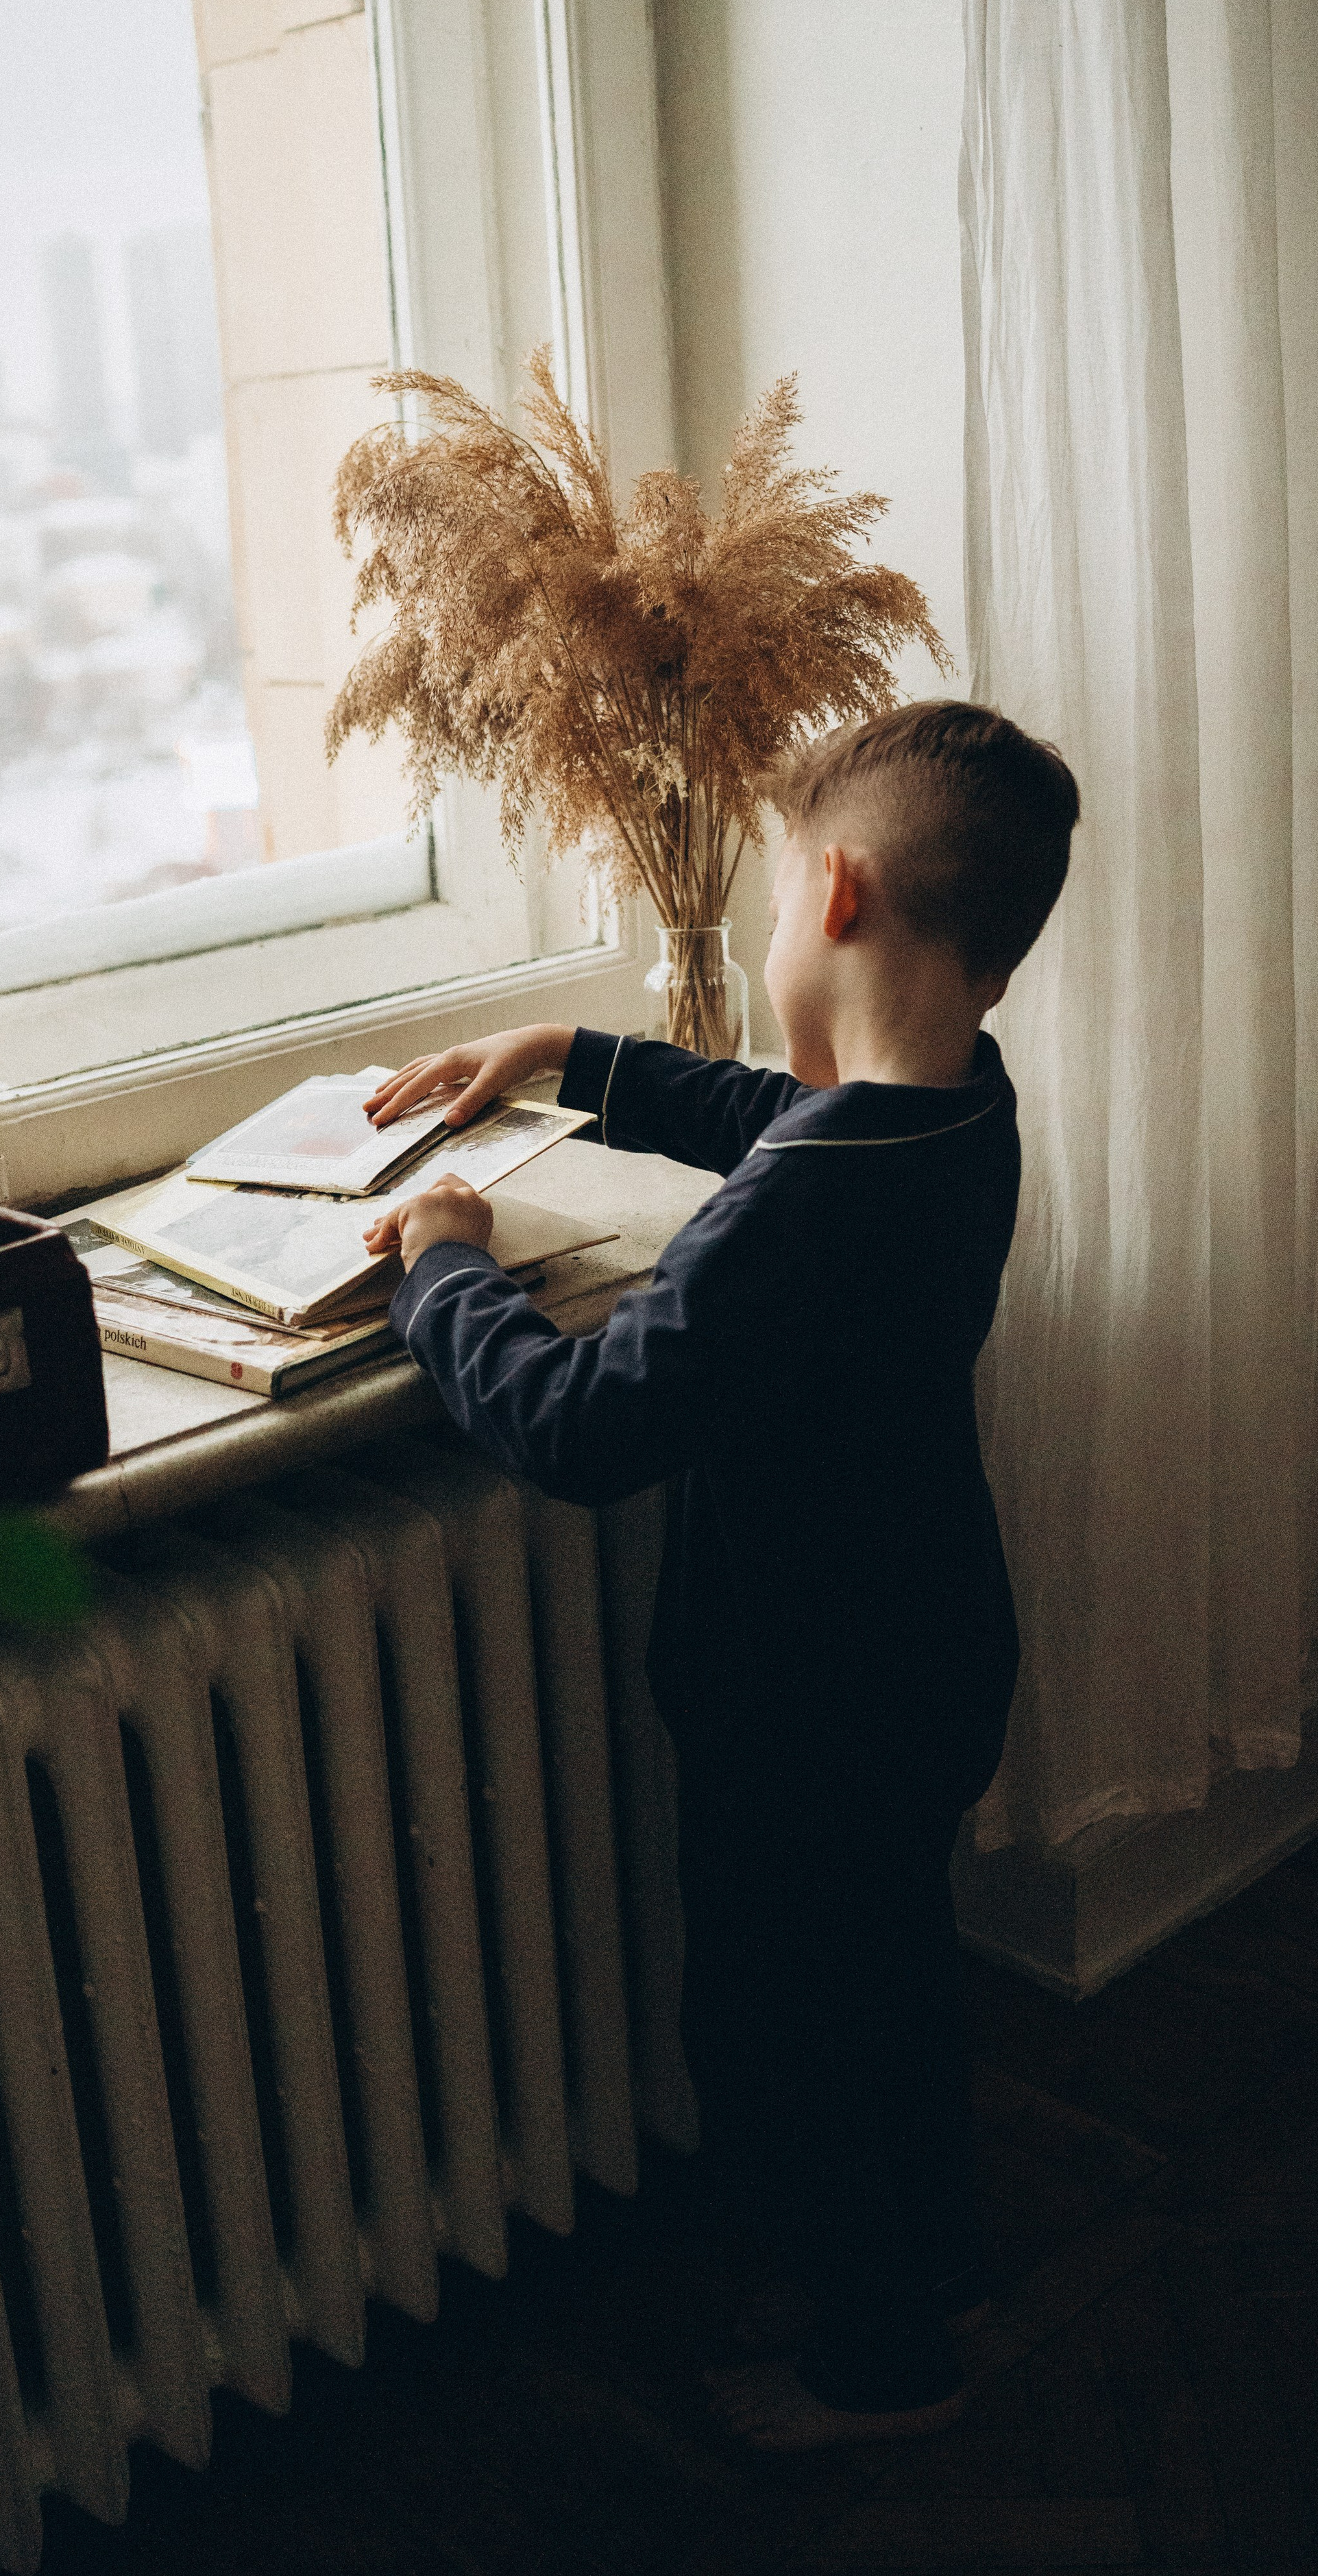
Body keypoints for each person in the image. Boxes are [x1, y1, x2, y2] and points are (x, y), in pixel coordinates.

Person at [361, 698, 1080, 2451]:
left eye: (766, 903)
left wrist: (443, 1268)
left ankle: (876, 2366)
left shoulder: (814, 1197)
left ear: (831, 892)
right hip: (920, 1651)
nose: (765, 935)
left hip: (801, 1698)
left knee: (792, 2032)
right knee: (893, 1993)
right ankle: (932, 2270)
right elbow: (770, 1105)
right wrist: (571, 1052)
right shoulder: (956, 1106)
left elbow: (579, 1426)